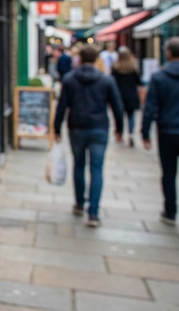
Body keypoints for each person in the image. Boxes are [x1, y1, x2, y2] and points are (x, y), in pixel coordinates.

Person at [54, 44, 125, 227]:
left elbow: (62, 106)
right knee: (96, 168)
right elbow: (117, 106)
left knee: (78, 164)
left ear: (80, 59)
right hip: (99, 127)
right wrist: (120, 128)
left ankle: (79, 203)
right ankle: (93, 212)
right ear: (96, 60)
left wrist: (56, 128)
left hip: (76, 126)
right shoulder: (106, 80)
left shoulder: (70, 79)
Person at [142, 37, 179, 226]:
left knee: (169, 172)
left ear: (168, 53)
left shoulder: (159, 77)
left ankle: (170, 210)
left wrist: (145, 132)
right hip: (167, 128)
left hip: (167, 130)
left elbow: (150, 107)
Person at [112, 47, 143, 147]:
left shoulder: (116, 67)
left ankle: (119, 133)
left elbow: (112, 83)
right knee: (131, 116)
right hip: (131, 95)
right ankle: (131, 134)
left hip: (119, 95)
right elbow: (139, 83)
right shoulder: (133, 68)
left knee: (119, 116)